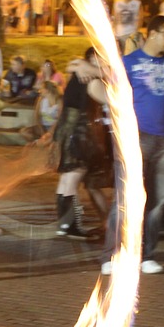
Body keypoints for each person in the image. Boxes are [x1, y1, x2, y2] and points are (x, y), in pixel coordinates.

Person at [96, 16, 164, 275]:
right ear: (152, 33)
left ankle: (146, 254)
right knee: (125, 196)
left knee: (159, 197)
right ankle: (113, 253)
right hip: (135, 136)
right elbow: (109, 91)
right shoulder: (128, 63)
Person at [51, 48, 109, 238]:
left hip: (66, 128)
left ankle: (64, 225)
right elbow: (112, 102)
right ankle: (71, 226)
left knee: (66, 178)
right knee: (73, 178)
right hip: (80, 133)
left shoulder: (76, 75)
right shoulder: (92, 81)